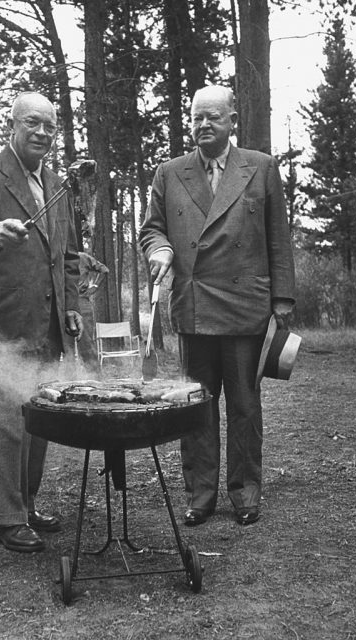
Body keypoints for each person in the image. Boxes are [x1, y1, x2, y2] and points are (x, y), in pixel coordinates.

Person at [139, 85, 295, 527]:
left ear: (231, 121)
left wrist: (282, 299)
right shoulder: (169, 173)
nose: (203, 125)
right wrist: (160, 250)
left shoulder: (261, 167)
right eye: (196, 118)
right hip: (194, 308)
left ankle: (246, 492)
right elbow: (152, 229)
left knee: (245, 405)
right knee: (197, 404)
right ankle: (200, 494)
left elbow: (278, 237)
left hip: (246, 307)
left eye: (213, 117)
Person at [0, 91, 83, 553]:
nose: (43, 133)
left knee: (38, 420)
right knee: (5, 422)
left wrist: (70, 310)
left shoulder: (58, 184)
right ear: (13, 125)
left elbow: (63, 256)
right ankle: (7, 518)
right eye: (33, 123)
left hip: (46, 325)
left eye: (50, 125)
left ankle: (26, 504)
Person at [77, 250, 109, 364]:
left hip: (81, 301)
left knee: (86, 344)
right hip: (60, 303)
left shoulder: (82, 257)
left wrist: (94, 286)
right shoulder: (55, 256)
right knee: (65, 347)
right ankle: (67, 378)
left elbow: (104, 270)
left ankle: (94, 378)